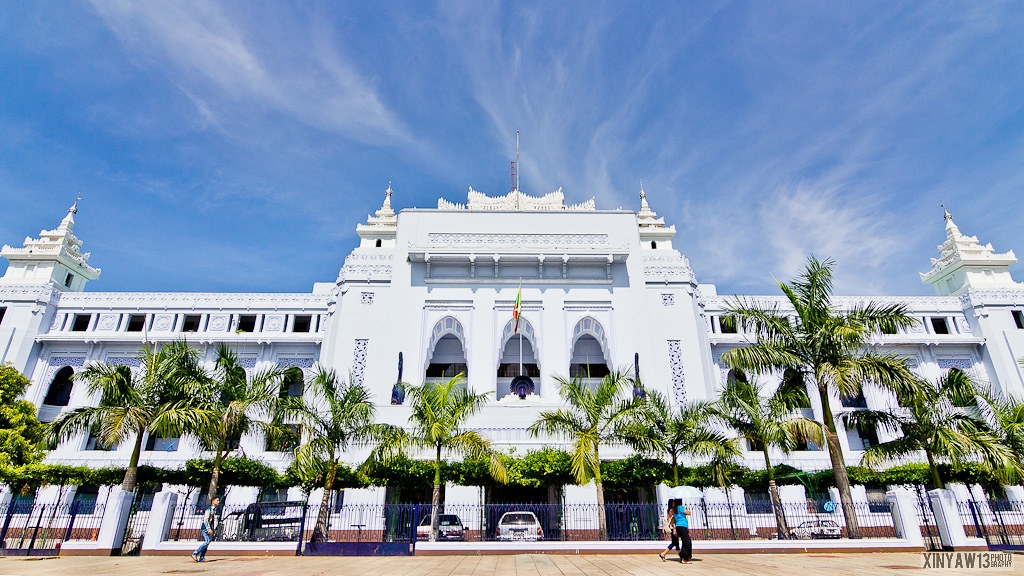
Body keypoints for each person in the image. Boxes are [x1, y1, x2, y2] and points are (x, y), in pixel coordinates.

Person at [191, 496, 220, 562]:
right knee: (207, 542)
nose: (218, 502)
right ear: (213, 501)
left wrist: (212, 529)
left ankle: (202, 558)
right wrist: (208, 529)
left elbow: (211, 520)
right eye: (217, 500)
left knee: (207, 543)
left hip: (209, 528)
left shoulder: (213, 509)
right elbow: (205, 520)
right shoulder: (209, 509)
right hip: (205, 528)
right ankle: (195, 553)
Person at [675, 499, 692, 564]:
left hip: (678, 526)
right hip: (683, 526)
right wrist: (687, 509)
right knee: (686, 542)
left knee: (686, 541)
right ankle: (684, 558)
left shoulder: (675, 509)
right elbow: (688, 513)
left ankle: (685, 557)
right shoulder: (680, 507)